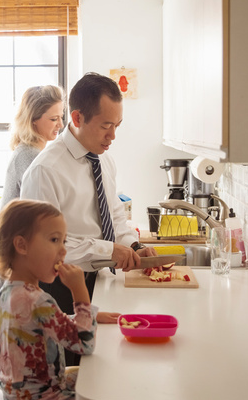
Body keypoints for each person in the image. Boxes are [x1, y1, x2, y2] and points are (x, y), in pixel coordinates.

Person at [0, 198, 136, 400]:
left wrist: (86, 316)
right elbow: (84, 344)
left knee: (98, 377)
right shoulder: (39, 300)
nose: (63, 251)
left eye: (63, 240)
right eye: (53, 240)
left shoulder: (10, 291)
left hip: (15, 396)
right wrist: (81, 295)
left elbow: (41, 325)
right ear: (22, 245)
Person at [20, 72, 156, 319]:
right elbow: (44, 248)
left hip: (99, 280)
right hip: (59, 288)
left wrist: (134, 246)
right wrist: (108, 251)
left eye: (117, 125)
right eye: (106, 125)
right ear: (77, 117)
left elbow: (114, 216)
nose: (113, 135)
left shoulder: (104, 160)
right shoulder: (45, 170)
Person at [0, 85, 64, 400]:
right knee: (1, 335)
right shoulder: (31, 156)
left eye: (61, 115)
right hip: (9, 255)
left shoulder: (35, 150)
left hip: (8, 249)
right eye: (53, 117)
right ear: (34, 119)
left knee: (0, 333)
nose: (60, 123)